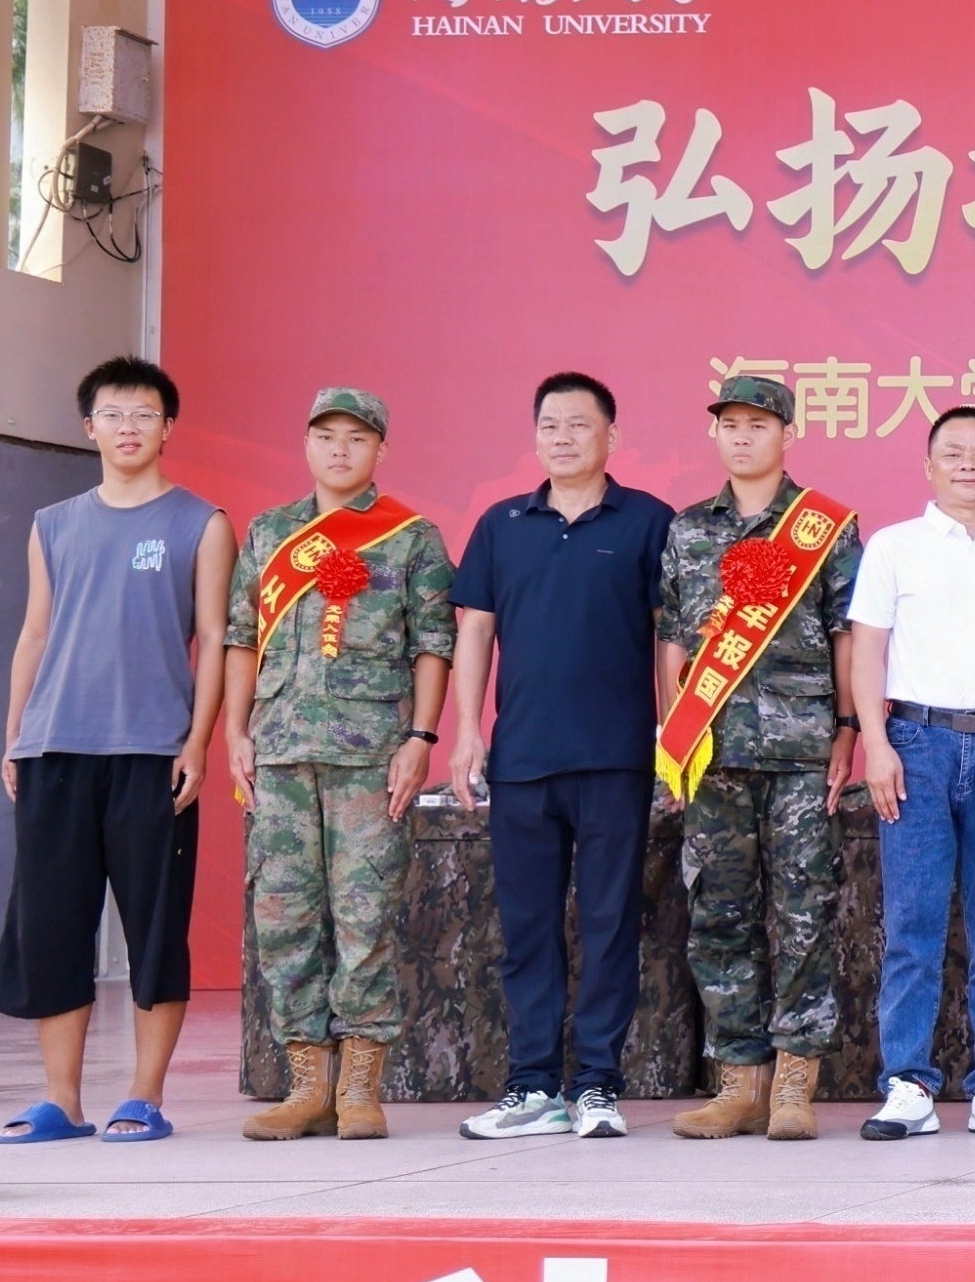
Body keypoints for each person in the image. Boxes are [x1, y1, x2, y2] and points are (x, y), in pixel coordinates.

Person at [0, 356, 236, 1146]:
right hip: (55, 748)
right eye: (114, 415)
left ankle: (144, 1096)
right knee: (51, 927)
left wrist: (198, 740)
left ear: (169, 428)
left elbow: (215, 638)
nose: (129, 428)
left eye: (145, 415)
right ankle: (60, 1101)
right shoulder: (53, 524)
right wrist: (16, 733)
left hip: (152, 754)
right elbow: (35, 633)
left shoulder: (200, 522)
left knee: (154, 930)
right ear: (89, 427)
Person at [447, 371, 673, 1142]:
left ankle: (598, 1086)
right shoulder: (502, 523)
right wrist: (468, 730)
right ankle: (533, 1087)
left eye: (580, 424)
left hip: (616, 758)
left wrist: (671, 739)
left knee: (610, 926)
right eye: (550, 425)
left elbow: (670, 638)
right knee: (528, 931)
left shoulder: (648, 521)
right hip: (522, 760)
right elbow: (476, 630)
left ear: (612, 436)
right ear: (534, 437)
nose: (564, 437)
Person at [229, 386, 452, 1143]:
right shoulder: (270, 533)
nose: (339, 450)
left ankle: (360, 1088)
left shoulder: (411, 538)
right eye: (326, 436)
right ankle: (306, 1087)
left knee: (365, 915)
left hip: (369, 755)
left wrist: (421, 738)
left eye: (356, 438)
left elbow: (433, 644)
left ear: (380, 450)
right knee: (284, 916)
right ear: (306, 443)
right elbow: (241, 638)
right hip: (280, 752)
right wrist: (235, 731)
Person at [654, 373, 863, 1143]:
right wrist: (672, 736)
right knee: (719, 913)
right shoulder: (687, 530)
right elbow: (673, 638)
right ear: (715, 433)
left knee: (805, 912)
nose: (742, 436)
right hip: (712, 752)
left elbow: (846, 632)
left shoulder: (825, 526)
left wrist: (848, 727)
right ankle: (739, 1082)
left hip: (802, 747)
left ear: (786, 434)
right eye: (730, 424)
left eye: (758, 425)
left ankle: (795, 1084)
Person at [846, 406, 975, 1141]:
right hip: (915, 746)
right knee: (913, 926)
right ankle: (907, 1083)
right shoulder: (893, 547)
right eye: (953, 453)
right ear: (928, 467)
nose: (968, 464)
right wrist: (876, 743)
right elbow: (867, 651)